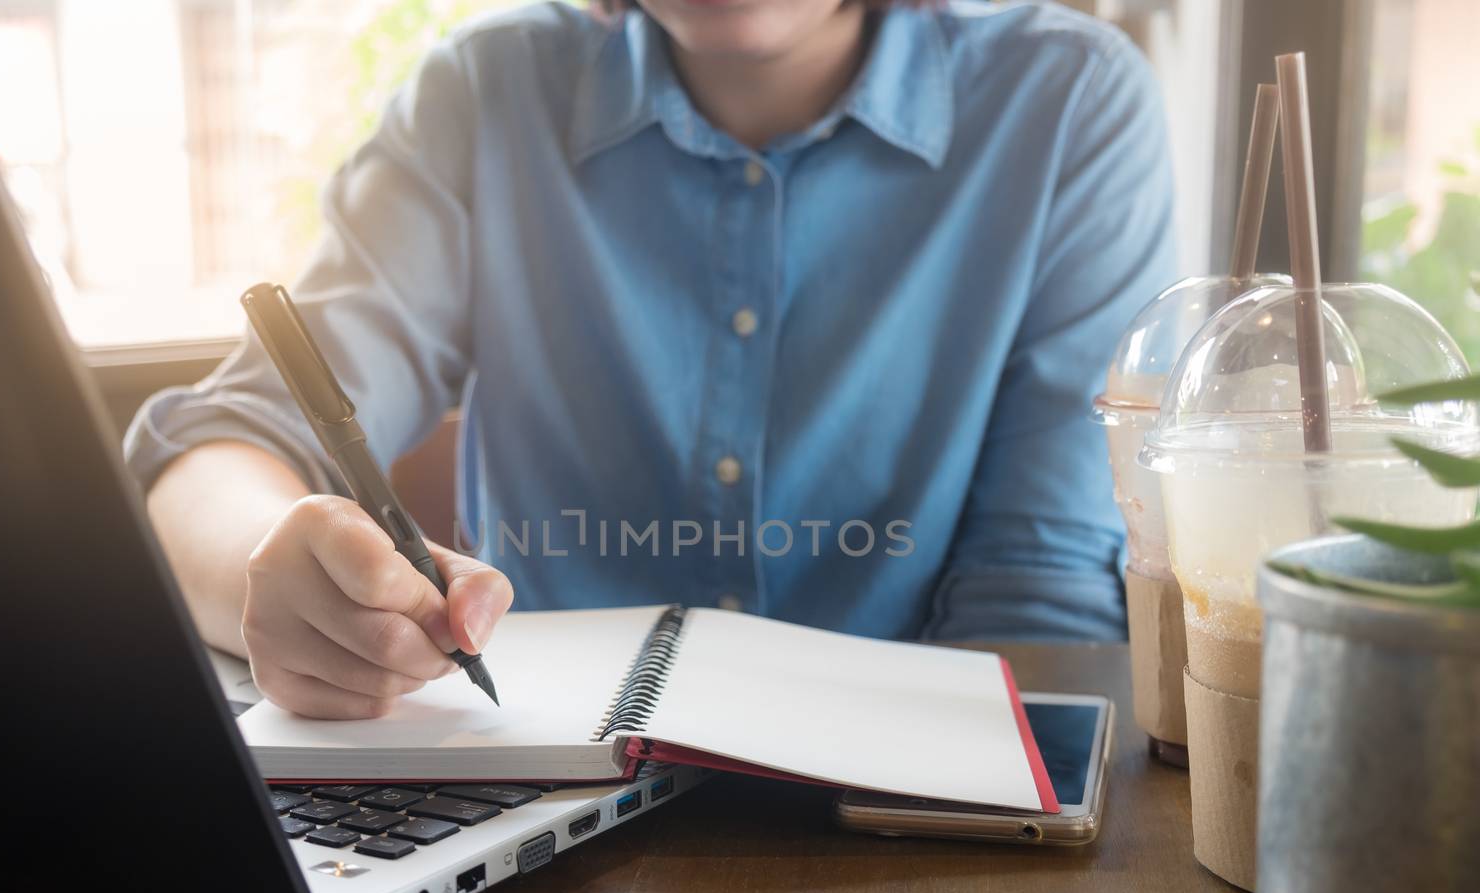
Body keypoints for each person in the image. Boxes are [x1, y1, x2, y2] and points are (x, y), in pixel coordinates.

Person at [127, 0, 1176, 719]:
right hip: (543, 822)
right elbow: (226, 444)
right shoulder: (486, 89)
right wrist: (280, 577)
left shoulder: (1068, 100)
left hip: (918, 821)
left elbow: (1037, 592)